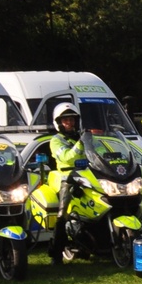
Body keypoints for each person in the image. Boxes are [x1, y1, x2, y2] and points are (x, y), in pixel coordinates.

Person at [46, 103, 87, 263]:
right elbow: (67, 157)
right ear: (59, 122)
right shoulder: (56, 140)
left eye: (72, 119)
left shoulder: (82, 136)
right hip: (67, 178)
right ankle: (56, 254)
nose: (70, 123)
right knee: (62, 214)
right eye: (66, 120)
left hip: (87, 176)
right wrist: (82, 143)